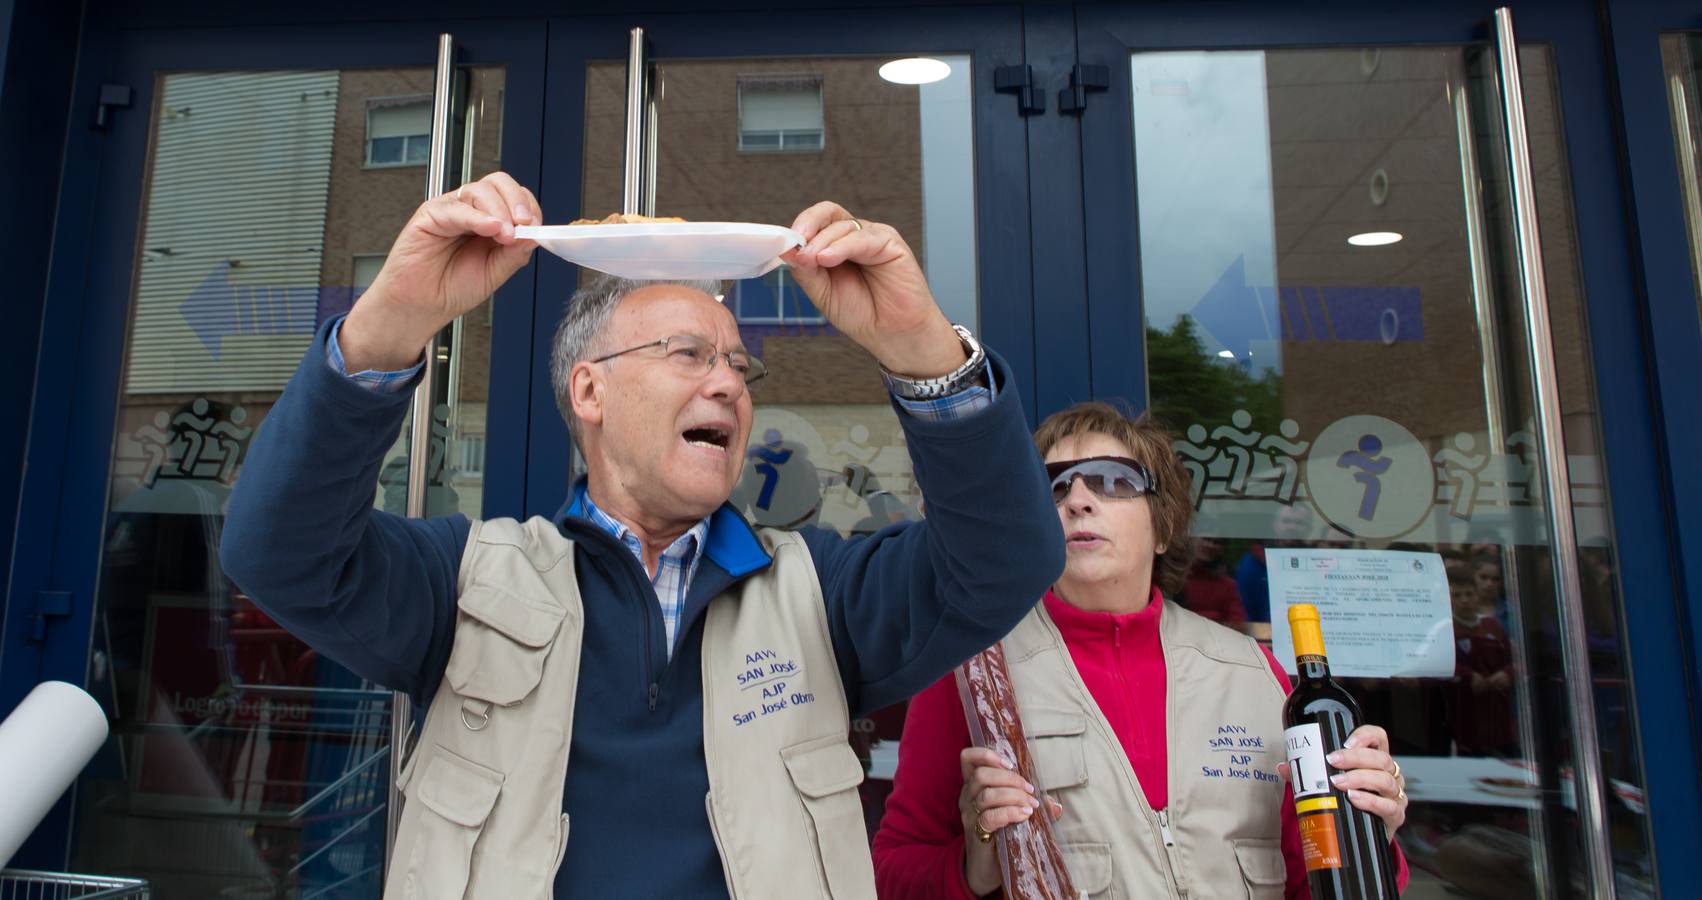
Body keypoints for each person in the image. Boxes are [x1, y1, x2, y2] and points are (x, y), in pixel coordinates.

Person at [218, 172, 1065, 898]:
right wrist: (389, 323)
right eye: (689, 354)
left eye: (739, 365)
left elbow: (1003, 561)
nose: (728, 385)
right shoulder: (465, 583)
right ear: (590, 392)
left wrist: (922, 349)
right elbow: (281, 553)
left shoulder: (822, 593)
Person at [872, 403, 1409, 899]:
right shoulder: (975, 676)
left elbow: (1313, 874)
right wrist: (975, 864)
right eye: (1052, 488)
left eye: (1111, 481)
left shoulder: (1252, 673)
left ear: (1164, 525)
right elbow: (893, 871)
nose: (1078, 500)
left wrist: (1371, 834)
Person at [1180, 535, 1249, 627]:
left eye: (1217, 542)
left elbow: (1238, 622)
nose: (1210, 545)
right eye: (1206, 539)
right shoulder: (1175, 578)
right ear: (1192, 540)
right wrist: (1215, 617)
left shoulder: (1228, 585)